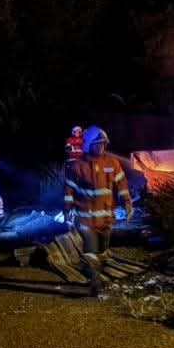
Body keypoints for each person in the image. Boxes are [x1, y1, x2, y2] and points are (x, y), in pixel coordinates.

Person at [63, 125, 131, 295]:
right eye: (97, 144)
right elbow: (68, 191)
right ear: (87, 145)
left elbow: (121, 184)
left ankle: (96, 275)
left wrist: (127, 202)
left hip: (106, 220)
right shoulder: (77, 167)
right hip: (86, 220)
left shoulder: (112, 163)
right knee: (91, 252)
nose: (100, 147)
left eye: (103, 144)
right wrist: (68, 212)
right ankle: (96, 286)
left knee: (102, 253)